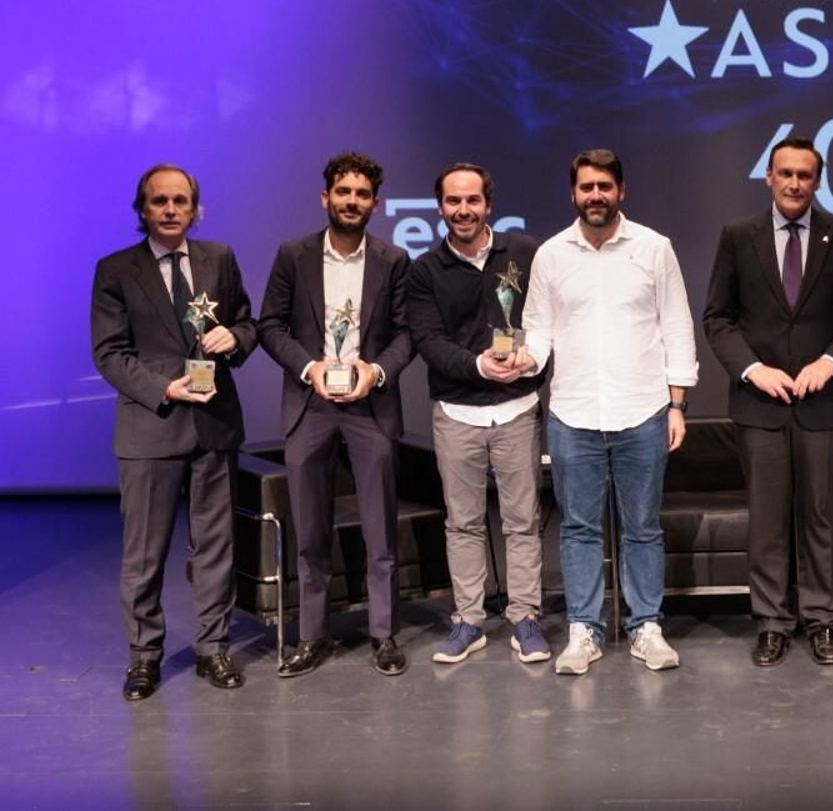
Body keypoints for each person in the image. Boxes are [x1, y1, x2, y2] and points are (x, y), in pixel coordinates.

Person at [517, 149, 698, 675]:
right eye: (586, 187)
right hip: (573, 413)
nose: (595, 195)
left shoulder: (653, 248)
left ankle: (646, 627)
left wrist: (678, 404)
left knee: (642, 526)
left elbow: (678, 327)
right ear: (573, 194)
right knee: (577, 528)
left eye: (604, 186)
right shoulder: (551, 255)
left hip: (643, 409)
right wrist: (525, 358)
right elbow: (539, 329)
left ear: (622, 190)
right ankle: (584, 631)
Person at [703, 137, 833, 667]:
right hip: (761, 406)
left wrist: (831, 362)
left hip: (824, 403)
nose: (795, 183)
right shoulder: (738, 236)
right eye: (786, 174)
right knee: (769, 519)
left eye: (805, 174)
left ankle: (824, 619)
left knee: (822, 515)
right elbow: (718, 318)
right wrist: (755, 370)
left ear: (817, 182)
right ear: (769, 179)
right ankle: (773, 621)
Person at [91, 164, 257, 700]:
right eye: (159, 201)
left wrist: (234, 338)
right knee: (144, 555)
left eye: (180, 201)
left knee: (216, 548)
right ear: (143, 210)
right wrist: (166, 388)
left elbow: (247, 324)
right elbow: (110, 354)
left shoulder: (220, 259)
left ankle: (213, 648)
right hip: (151, 428)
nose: (169, 209)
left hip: (214, 427)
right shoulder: (116, 270)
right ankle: (145, 657)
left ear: (195, 209)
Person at [258, 151, 415, 678]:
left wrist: (377, 370)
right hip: (311, 404)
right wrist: (310, 368)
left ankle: (384, 633)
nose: (352, 202)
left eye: (362, 194)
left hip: (370, 405)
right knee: (309, 531)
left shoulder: (393, 260)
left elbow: (405, 334)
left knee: (380, 530)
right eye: (343, 193)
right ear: (325, 197)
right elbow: (270, 326)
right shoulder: (293, 255)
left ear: (375, 202)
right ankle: (312, 636)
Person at [406, 163, 549, 666]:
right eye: (452, 202)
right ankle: (468, 620)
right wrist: (479, 366)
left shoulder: (525, 252)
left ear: (489, 204)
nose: (462, 210)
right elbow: (428, 341)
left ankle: (525, 616)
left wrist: (530, 357)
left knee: (522, 521)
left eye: (472, 201)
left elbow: (547, 316)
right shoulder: (424, 271)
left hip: (518, 407)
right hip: (457, 412)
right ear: (440, 208)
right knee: (463, 522)